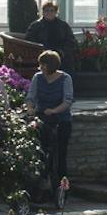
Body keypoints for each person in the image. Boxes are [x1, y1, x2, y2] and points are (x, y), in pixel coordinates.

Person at [28, 50, 76, 201]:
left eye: (44, 65)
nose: (41, 68)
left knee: (60, 154)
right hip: (43, 120)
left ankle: (62, 189)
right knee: (41, 154)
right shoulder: (38, 78)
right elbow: (31, 97)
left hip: (61, 120)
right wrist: (30, 108)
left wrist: (54, 110)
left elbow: (67, 101)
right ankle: (40, 186)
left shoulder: (65, 78)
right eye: (40, 65)